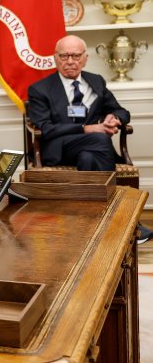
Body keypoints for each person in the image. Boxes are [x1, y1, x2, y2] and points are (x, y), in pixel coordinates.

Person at [28, 35, 152, 243]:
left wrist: (115, 119)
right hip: (59, 148)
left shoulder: (95, 81)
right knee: (100, 139)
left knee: (88, 158)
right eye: (64, 56)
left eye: (76, 56)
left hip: (91, 150)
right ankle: (125, 220)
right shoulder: (40, 89)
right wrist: (88, 129)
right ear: (55, 58)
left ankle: (90, 224)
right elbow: (46, 129)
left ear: (85, 58)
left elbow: (121, 110)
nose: (70, 61)